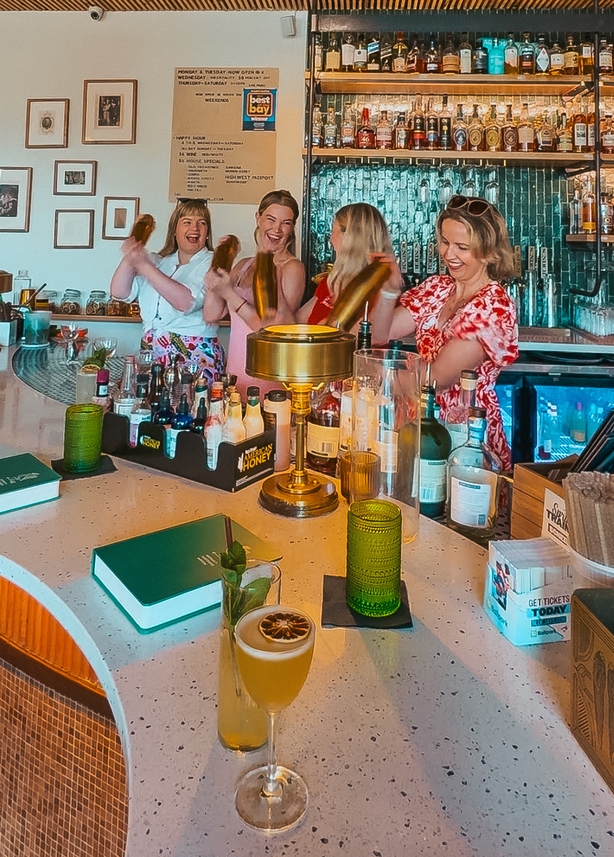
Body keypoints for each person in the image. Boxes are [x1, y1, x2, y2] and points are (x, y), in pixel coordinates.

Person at [384, 195, 518, 469]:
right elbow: (382, 331)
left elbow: (436, 379)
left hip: (465, 436)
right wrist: (386, 287)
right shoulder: (438, 288)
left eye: (462, 247)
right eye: (445, 242)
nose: (448, 254)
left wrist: (373, 376)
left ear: (488, 251)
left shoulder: (493, 306)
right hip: (420, 425)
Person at [203, 189, 305, 397]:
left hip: (269, 375)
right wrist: (219, 265)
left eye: (285, 223)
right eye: (271, 219)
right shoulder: (244, 264)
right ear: (258, 218)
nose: (277, 229)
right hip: (235, 374)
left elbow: (273, 330)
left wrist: (230, 293)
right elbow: (211, 314)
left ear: (292, 227)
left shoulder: (292, 267)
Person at [110, 199, 224, 382]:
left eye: (202, 223)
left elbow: (186, 302)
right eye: (187, 222)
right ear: (174, 231)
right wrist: (131, 254)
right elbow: (119, 291)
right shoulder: (159, 261)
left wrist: (144, 266)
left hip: (195, 356)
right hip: (151, 351)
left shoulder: (214, 263)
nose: (195, 228)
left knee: (191, 401)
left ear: (207, 233)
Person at [296, 202, 403, 345]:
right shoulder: (331, 281)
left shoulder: (381, 288)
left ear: (350, 237)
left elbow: (372, 339)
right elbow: (298, 320)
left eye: (333, 231)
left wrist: (325, 329)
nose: (330, 240)